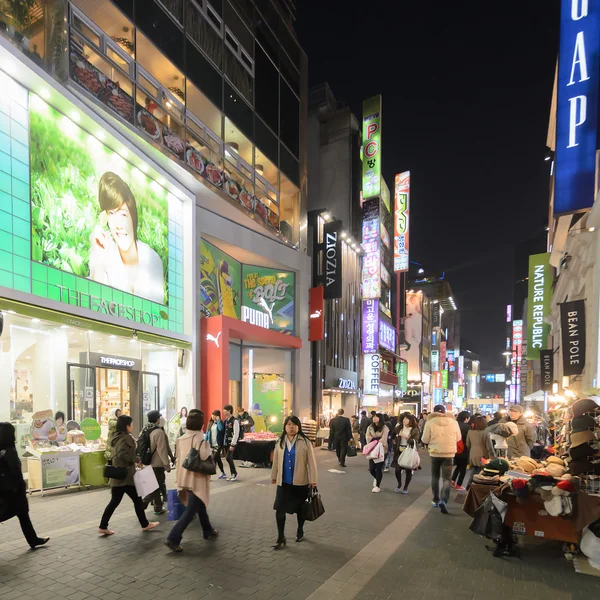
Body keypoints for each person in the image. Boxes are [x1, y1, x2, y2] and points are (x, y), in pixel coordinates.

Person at [89, 171, 164, 304]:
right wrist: (99, 261)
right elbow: (93, 305)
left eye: (123, 215)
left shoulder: (152, 260)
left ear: (132, 217)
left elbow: (158, 317)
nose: (118, 225)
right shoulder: (103, 250)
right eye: (111, 214)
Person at [165, 409, 218, 552]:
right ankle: (173, 537)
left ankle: (208, 530)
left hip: (184, 477)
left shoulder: (181, 439)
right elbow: (204, 456)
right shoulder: (199, 438)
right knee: (191, 510)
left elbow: (178, 459)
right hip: (196, 478)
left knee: (199, 504)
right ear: (201, 424)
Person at [98, 415, 160, 535]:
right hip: (125, 476)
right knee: (136, 500)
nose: (132, 426)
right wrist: (134, 459)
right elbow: (122, 454)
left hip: (119, 476)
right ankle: (145, 524)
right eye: (131, 424)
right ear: (127, 426)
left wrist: (134, 459)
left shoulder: (116, 437)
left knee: (116, 501)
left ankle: (103, 526)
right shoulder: (125, 438)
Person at [271, 416, 318, 549]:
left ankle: (300, 530)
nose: (291, 427)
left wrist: (313, 480)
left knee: (300, 509)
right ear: (285, 426)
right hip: (283, 482)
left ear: (298, 427)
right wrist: (274, 475)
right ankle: (281, 537)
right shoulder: (280, 441)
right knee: (279, 509)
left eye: (294, 424)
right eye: (289, 424)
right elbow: (276, 461)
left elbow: (312, 463)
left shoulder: (305, 441)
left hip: (300, 482)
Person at [0, 422, 49, 549]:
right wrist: (21, 487)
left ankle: (33, 539)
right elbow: (15, 472)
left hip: (5, 491)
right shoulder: (10, 451)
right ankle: (33, 539)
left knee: (23, 515)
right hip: (13, 492)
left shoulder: (1, 450)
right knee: (19, 514)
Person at [421, 405, 461, 514]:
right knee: (447, 478)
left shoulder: (430, 422)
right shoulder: (454, 422)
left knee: (435, 476)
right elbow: (458, 438)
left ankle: (436, 499)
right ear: (444, 412)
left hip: (435, 453)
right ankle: (444, 499)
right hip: (449, 453)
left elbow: (425, 439)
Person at [142, 410, 172, 515]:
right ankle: (142, 504)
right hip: (157, 464)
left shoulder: (145, 429)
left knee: (155, 486)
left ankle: (158, 508)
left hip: (148, 463)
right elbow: (162, 450)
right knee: (156, 487)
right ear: (157, 419)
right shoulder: (158, 432)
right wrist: (167, 465)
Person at [393, 414, 420, 494]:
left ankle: (405, 487)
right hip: (399, 450)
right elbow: (393, 434)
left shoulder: (415, 430)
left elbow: (415, 441)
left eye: (407, 419)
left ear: (411, 421)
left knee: (408, 469)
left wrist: (405, 436)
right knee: (397, 469)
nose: (404, 421)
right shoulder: (399, 428)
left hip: (409, 450)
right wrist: (395, 440)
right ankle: (399, 484)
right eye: (404, 419)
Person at [366, 413, 389, 493]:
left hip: (381, 450)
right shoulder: (370, 427)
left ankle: (377, 485)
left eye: (377, 417)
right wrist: (376, 439)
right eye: (374, 417)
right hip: (372, 449)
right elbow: (367, 437)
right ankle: (376, 478)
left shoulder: (384, 427)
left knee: (379, 468)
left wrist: (376, 440)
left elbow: (384, 438)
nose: (375, 418)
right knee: (371, 469)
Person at [452, 411, 471, 492]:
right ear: (466, 418)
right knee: (463, 468)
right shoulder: (467, 427)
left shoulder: (454, 425)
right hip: (463, 450)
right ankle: (459, 485)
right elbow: (468, 441)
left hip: (454, 448)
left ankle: (452, 481)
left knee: (458, 466)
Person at [205, 410, 226, 479]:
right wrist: (205, 441)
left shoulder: (220, 423)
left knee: (213, 459)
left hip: (218, 444)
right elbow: (207, 433)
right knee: (218, 459)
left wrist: (219, 421)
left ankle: (208, 475)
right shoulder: (210, 423)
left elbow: (221, 429)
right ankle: (223, 473)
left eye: (215, 415)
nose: (213, 416)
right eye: (212, 415)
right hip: (212, 444)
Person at [222, 405, 240, 481]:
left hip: (232, 443)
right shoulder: (226, 421)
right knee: (229, 458)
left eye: (225, 411)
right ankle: (233, 473)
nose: (224, 412)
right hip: (226, 442)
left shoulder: (235, 421)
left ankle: (234, 473)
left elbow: (236, 433)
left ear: (229, 411)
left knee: (228, 457)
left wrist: (233, 444)